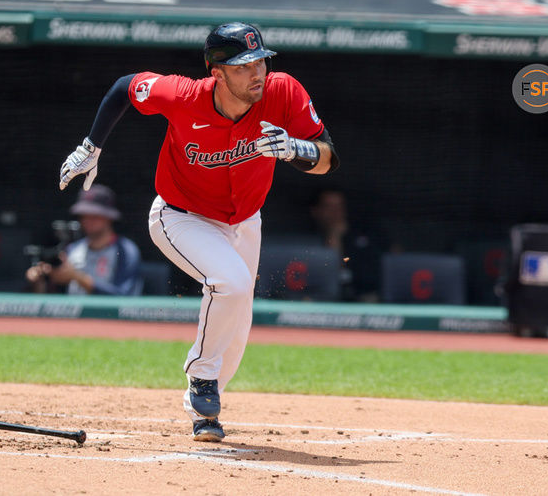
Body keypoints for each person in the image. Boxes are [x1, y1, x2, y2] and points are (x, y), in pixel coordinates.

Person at [59, 22, 339, 441]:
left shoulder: (283, 91)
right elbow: (124, 87)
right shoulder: (183, 95)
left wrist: (298, 151)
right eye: (244, 66)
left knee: (238, 327)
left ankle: (204, 412)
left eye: (260, 61)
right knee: (231, 283)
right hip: (180, 216)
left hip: (245, 220)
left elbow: (329, 157)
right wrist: (91, 146)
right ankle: (201, 376)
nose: (257, 73)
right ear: (217, 72)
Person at [26, 184, 142, 296]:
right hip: (72, 314)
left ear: (109, 217)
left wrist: (78, 277)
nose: (88, 221)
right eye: (84, 215)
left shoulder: (126, 250)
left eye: (95, 216)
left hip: (107, 315)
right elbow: (56, 297)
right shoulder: (72, 249)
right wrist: (40, 281)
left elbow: (125, 296)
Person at [309, 188, 380, 302]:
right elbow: (327, 275)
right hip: (319, 300)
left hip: (360, 298)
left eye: (339, 207)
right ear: (315, 210)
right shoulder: (304, 239)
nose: (335, 213)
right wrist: (334, 236)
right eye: (329, 207)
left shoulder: (364, 236)